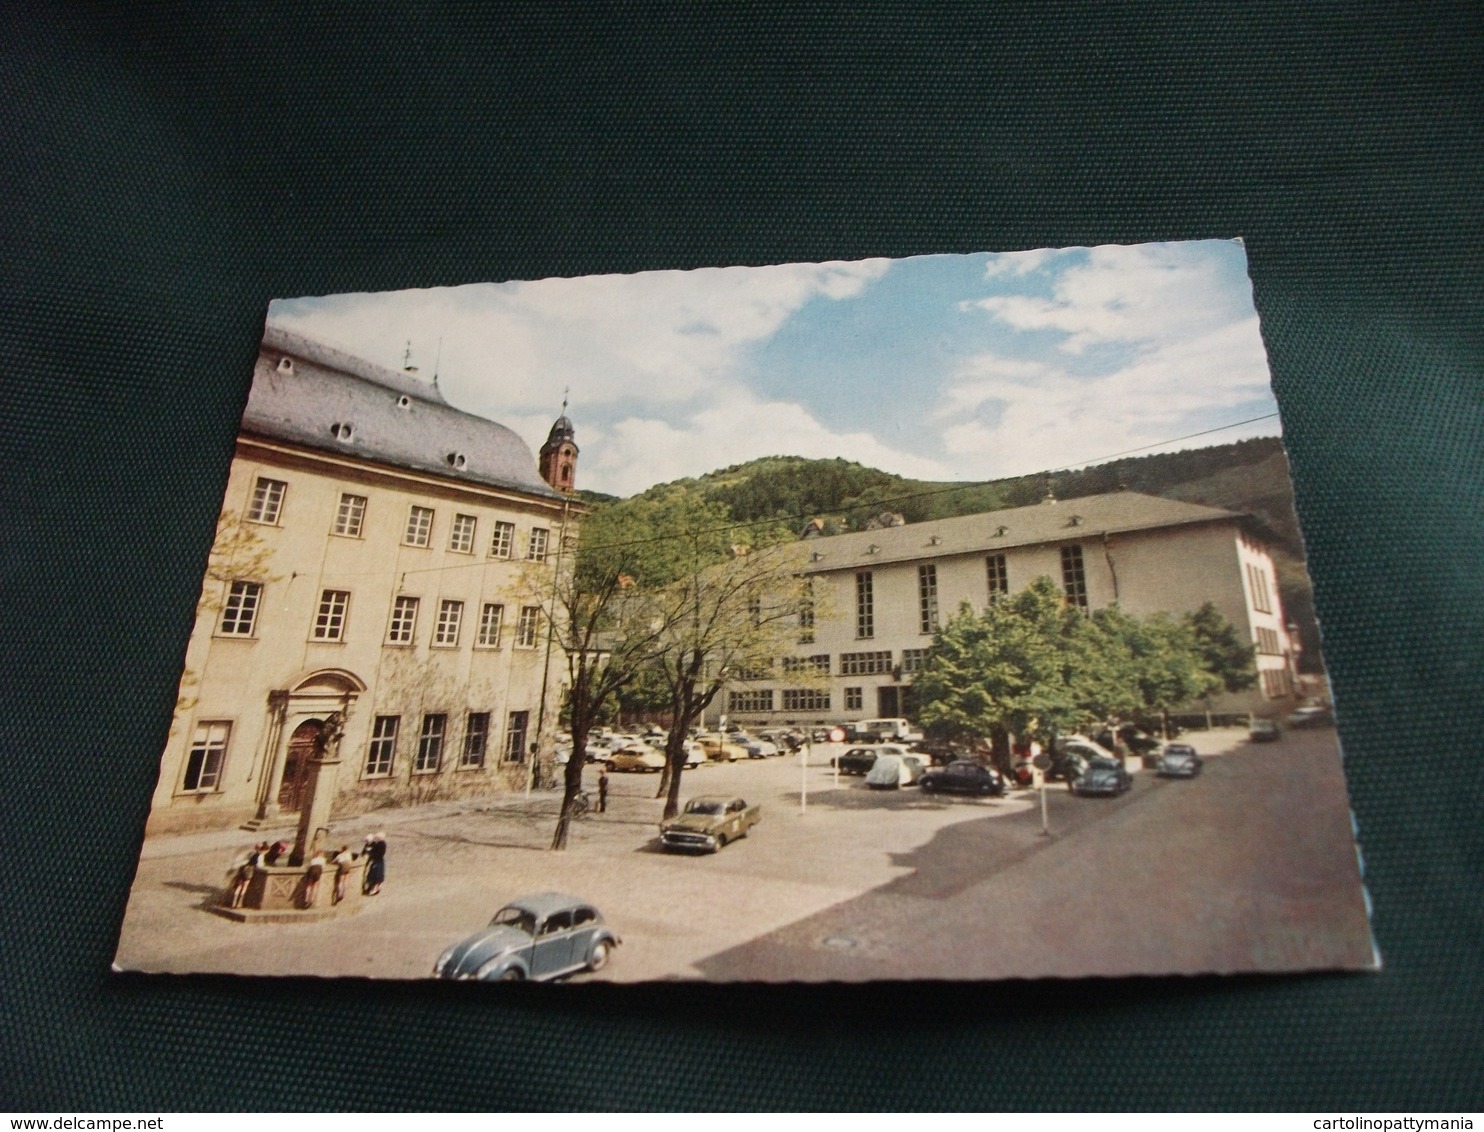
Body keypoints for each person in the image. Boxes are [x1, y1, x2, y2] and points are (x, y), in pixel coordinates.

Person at [229, 842, 267, 908]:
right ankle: (239, 904)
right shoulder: (260, 856)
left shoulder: (251, 853)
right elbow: (259, 865)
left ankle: (233, 903)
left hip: (243, 868)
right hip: (249, 870)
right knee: (244, 887)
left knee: (239, 886)